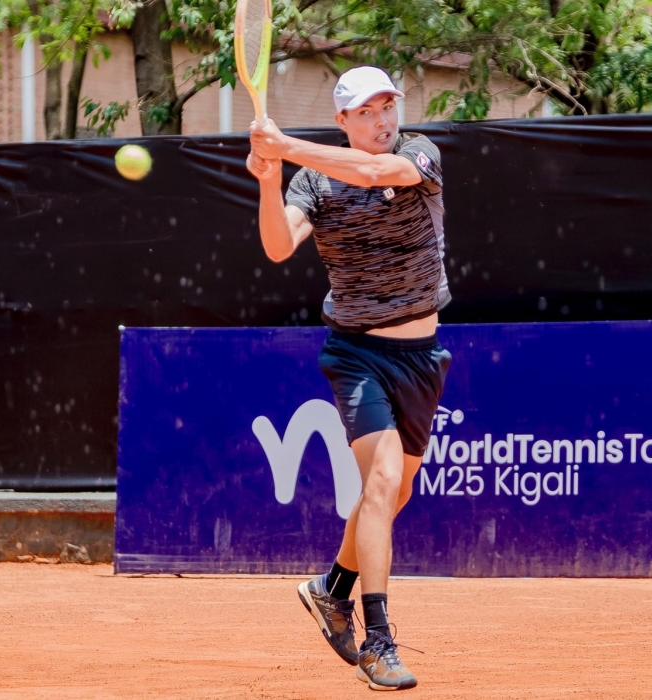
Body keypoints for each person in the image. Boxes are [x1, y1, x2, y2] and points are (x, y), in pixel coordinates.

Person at [247, 65, 451, 691]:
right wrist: (270, 177)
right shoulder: (313, 183)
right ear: (343, 121)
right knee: (383, 481)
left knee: (394, 496)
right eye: (365, 112)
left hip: (422, 357)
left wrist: (285, 144)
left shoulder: (419, 155)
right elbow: (279, 246)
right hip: (356, 353)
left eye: (387, 106)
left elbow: (371, 173)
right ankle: (378, 641)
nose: (381, 120)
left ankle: (331, 589)